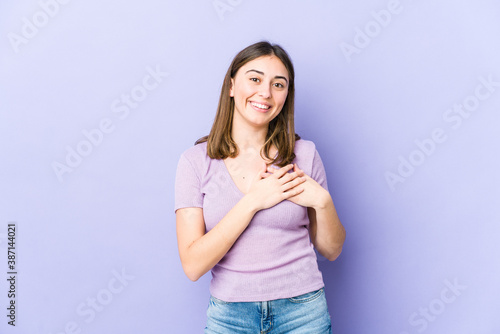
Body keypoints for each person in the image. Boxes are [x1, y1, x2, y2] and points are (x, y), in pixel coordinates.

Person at [174, 41, 346, 333]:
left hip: (303, 314)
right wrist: (253, 201)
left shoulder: (304, 155)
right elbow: (193, 265)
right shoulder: (194, 162)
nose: (265, 93)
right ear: (231, 86)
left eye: (278, 84)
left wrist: (324, 202)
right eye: (255, 79)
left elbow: (331, 250)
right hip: (230, 318)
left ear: (286, 96)